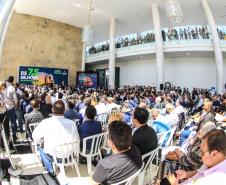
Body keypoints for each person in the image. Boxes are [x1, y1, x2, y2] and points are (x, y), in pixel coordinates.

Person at [32, 100, 80, 175]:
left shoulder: (46, 122)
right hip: (68, 155)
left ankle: (50, 170)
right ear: (64, 111)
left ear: (52, 110)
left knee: (40, 149)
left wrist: (41, 143)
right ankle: (61, 165)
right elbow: (77, 140)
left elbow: (35, 136)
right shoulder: (72, 123)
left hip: (52, 155)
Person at [2, 76, 18, 142]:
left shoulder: (5, 88)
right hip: (11, 107)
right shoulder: (12, 88)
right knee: (13, 122)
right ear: (13, 80)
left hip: (6, 107)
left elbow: (3, 98)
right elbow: (15, 99)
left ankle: (7, 137)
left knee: (6, 123)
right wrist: (16, 107)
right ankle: (14, 136)